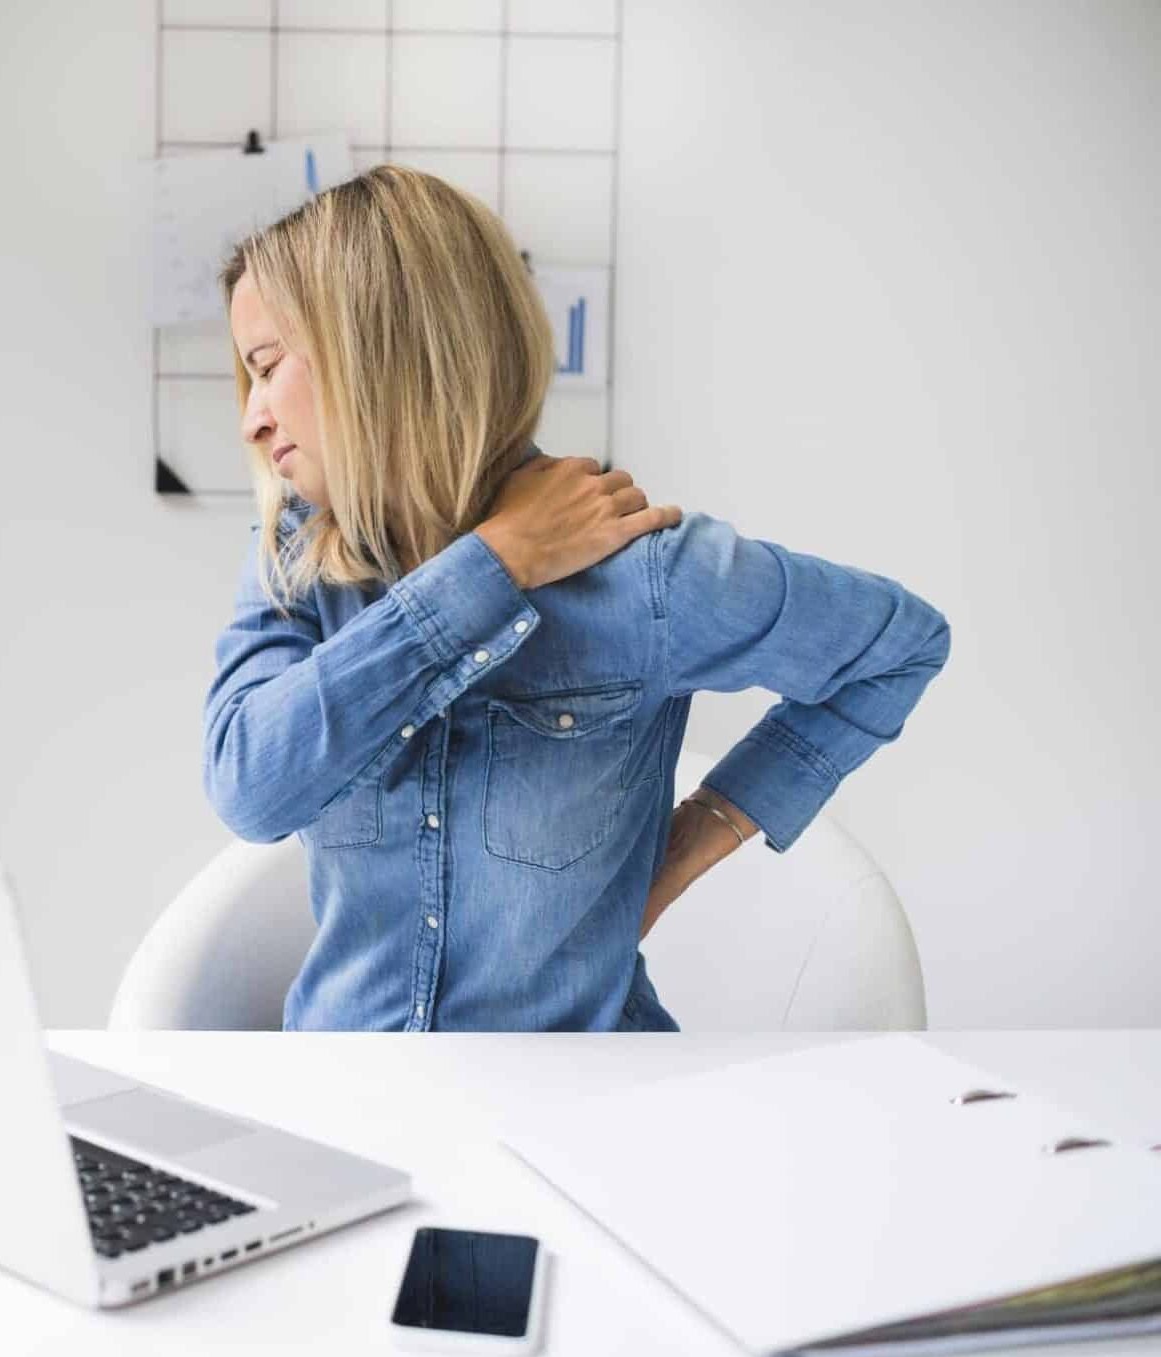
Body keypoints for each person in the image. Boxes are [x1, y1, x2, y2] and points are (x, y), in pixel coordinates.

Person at [202, 164, 951, 1032]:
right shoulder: (292, 561)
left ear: (379, 352)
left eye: (265, 368)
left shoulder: (645, 577)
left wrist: (681, 850)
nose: (251, 418)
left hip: (576, 1102)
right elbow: (250, 788)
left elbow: (898, 645)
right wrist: (494, 563)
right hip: (349, 1090)